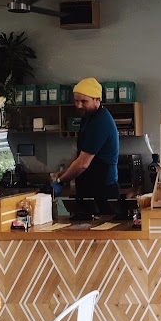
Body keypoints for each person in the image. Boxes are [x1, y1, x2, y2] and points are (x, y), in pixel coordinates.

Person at [53, 78, 120, 219]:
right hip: (87, 186)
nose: (79, 105)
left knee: (103, 230)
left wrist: (61, 181)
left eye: (84, 101)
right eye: (76, 101)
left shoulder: (100, 122)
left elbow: (83, 163)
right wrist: (65, 172)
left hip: (103, 190)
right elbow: (80, 152)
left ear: (97, 100)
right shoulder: (88, 117)